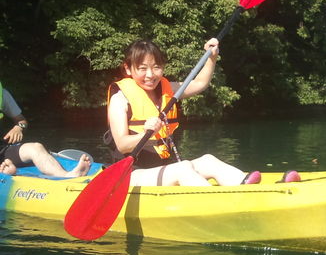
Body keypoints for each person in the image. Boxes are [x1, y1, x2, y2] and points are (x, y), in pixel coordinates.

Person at [107, 38, 299, 187]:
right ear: (128, 69)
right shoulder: (120, 99)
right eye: (142, 69)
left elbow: (199, 83)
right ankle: (217, 202)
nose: (150, 75)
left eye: (156, 67)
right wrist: (145, 132)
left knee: (208, 161)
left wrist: (211, 57)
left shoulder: (167, 89)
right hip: (131, 175)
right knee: (183, 168)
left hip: (163, 169)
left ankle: (247, 186)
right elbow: (122, 145)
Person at [1, 82, 92, 177]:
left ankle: (67, 176)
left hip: (3, 150)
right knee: (6, 167)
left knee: (36, 147)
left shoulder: (3, 94)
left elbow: (21, 120)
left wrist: (19, 127)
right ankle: (7, 174)